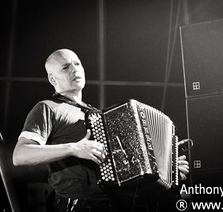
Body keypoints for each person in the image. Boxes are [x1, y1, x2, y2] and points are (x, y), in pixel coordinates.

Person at [12, 48, 190, 212]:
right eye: (65, 67)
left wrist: (169, 170)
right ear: (52, 79)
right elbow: (20, 155)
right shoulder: (47, 107)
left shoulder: (96, 115)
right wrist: (74, 148)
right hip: (78, 205)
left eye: (77, 64)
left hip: (114, 203)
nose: (75, 70)